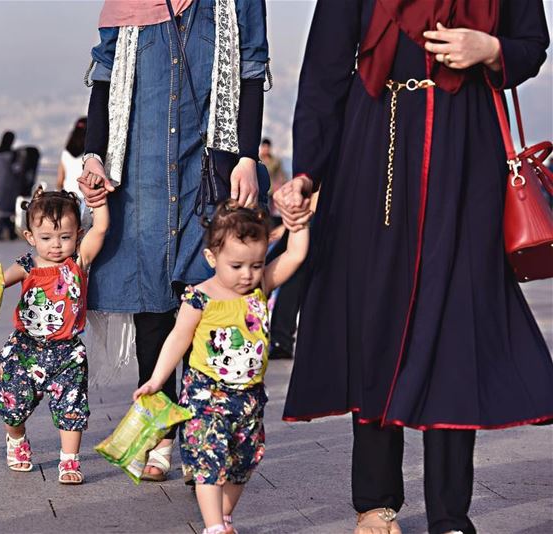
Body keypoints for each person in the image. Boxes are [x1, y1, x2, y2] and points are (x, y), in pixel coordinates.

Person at [276, 2, 553, 533]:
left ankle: (450, 513)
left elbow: (531, 44)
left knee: (455, 326)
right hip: (373, 150)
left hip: (468, 154)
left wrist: (490, 50)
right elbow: (324, 73)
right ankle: (375, 502)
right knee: (375, 318)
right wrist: (307, 171)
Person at [78, 0, 269, 482]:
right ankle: (161, 434)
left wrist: (247, 155)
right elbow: (105, 77)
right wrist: (94, 155)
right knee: (154, 307)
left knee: (209, 303)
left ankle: (203, 436)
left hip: (207, 171)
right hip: (140, 171)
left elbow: (250, 68)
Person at [134, 201, 308, 534]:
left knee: (244, 462)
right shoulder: (200, 297)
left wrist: (298, 224)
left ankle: (223, 516)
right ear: (212, 258)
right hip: (205, 396)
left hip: (249, 399)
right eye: (237, 265)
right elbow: (178, 339)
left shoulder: (259, 288)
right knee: (207, 461)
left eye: (256, 264)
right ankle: (214, 526)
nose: (247, 274)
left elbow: (294, 256)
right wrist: (157, 379)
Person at [0, 184, 109, 485]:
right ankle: (16, 439)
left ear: (78, 234)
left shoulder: (78, 262)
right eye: (46, 238)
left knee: (72, 405)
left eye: (65, 236)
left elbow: (101, 229)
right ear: (30, 237)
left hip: (67, 352)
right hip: (24, 348)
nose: (56, 245)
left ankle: (69, 460)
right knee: (12, 403)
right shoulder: (27, 265)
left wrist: (100, 203)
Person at [0, 131, 19, 240]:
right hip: (9, 184)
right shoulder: (12, 155)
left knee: (3, 211)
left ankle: (9, 233)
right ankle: (0, 234)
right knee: (7, 213)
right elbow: (16, 169)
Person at [259, 138, 287, 225]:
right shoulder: (257, 160)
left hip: (272, 191)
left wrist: (283, 185)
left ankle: (270, 225)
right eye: (264, 147)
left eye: (267, 147)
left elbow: (281, 175)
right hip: (260, 190)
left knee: (271, 211)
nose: (266, 149)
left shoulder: (275, 161)